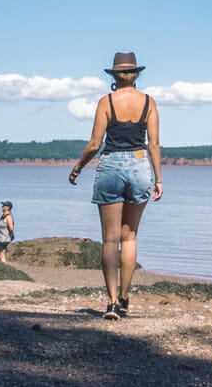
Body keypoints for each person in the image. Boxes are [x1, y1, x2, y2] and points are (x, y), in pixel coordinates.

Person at [68, 51, 162, 319]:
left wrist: (77, 168)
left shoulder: (106, 102)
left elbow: (95, 144)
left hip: (110, 166)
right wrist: (159, 178)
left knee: (109, 239)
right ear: (136, 75)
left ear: (114, 76)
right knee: (129, 236)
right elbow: (153, 144)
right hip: (140, 163)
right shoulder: (149, 102)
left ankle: (110, 303)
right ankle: (124, 298)